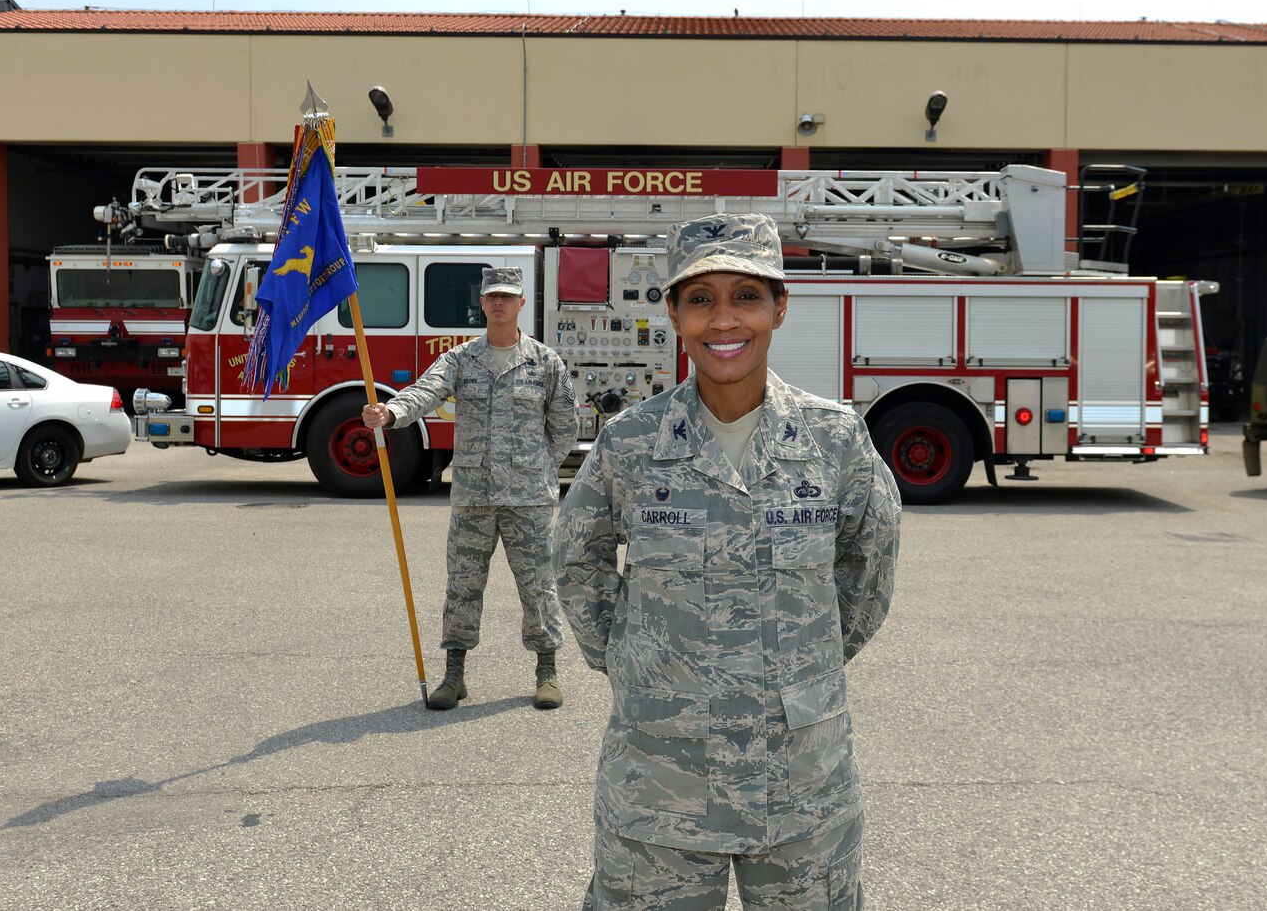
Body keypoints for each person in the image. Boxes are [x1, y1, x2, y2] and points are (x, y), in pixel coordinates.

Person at [554, 214, 902, 909]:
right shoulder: (630, 443)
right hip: (662, 787)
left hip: (802, 787)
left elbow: (868, 574)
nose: (724, 319)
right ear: (676, 315)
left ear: (779, 306)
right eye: (701, 298)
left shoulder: (834, 441)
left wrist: (808, 664)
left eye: (746, 294)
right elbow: (577, 560)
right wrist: (633, 660)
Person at [363, 265, 578, 710]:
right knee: (462, 585)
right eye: (491, 296)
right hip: (473, 496)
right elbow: (427, 391)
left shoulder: (545, 362)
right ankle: (454, 675)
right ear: (481, 304)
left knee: (538, 585)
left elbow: (564, 428)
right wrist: (392, 413)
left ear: (521, 304)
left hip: (529, 499)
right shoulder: (461, 359)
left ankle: (546, 670)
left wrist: (536, 469)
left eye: (508, 296)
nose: (499, 303)